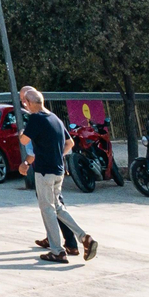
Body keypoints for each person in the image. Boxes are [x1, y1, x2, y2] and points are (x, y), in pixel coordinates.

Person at [21, 86, 96, 263]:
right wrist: (56, 155)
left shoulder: (35, 118)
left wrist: (21, 133)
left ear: (30, 103)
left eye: (25, 102)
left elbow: (24, 140)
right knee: (58, 208)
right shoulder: (55, 119)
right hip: (58, 170)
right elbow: (69, 143)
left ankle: (57, 251)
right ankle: (84, 237)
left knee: (47, 210)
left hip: (44, 171)